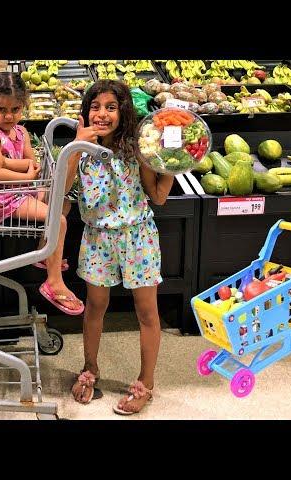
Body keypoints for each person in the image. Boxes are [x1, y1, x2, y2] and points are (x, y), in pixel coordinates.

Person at [65, 79, 175, 415]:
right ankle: (91, 368)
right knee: (94, 307)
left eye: (111, 107)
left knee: (147, 312)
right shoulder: (77, 152)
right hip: (97, 238)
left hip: (138, 237)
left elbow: (158, 196)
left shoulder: (135, 148)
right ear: (85, 113)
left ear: (122, 111)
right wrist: (74, 148)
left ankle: (146, 382)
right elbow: (58, 195)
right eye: (95, 107)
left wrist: (173, 161)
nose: (102, 114)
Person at [0, 72, 84, 315]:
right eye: (1, 109)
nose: (9, 115)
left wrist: (19, 168)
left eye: (15, 109)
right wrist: (25, 174)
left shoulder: (22, 132)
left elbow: (31, 162)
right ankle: (54, 282)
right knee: (59, 220)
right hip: (2, 197)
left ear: (23, 106)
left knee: (63, 202)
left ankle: (45, 253)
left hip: (21, 190)